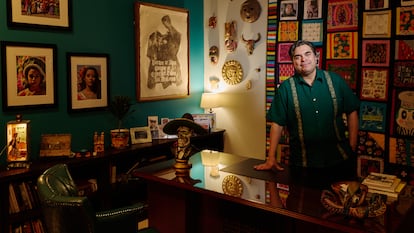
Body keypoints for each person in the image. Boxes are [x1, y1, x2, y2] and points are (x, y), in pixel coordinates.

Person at [254, 40, 360, 186]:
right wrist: (271, 157)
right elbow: (277, 124)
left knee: (340, 206)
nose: (303, 59)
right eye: (297, 57)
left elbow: (352, 110)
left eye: (307, 54)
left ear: (316, 57)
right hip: (302, 164)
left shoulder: (335, 80)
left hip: (339, 160)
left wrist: (352, 143)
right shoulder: (285, 89)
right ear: (293, 62)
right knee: (302, 206)